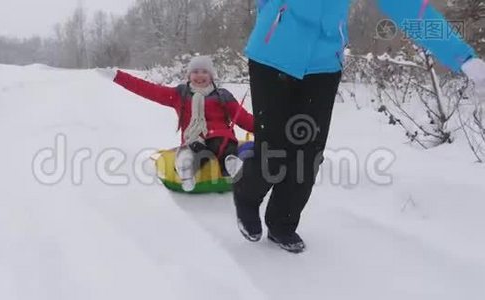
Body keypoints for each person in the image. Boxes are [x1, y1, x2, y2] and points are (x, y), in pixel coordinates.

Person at [234, 0, 485, 253]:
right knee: (275, 147)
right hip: (272, 55)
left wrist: (462, 58)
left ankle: (282, 222)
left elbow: (412, 9)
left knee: (308, 152)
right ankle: (246, 195)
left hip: (323, 65)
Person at [97, 56, 254, 191]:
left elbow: (244, 118)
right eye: (195, 72)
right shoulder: (181, 95)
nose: (200, 76)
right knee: (195, 150)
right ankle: (186, 169)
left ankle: (232, 166)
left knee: (225, 146)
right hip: (194, 138)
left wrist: (264, 128)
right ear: (189, 75)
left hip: (220, 136)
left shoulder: (223, 96)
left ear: (211, 75)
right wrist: (117, 76)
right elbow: (149, 89)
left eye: (205, 71)